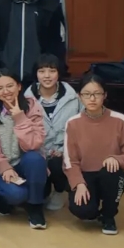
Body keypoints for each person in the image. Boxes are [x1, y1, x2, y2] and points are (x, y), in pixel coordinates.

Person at [64, 74, 124, 235]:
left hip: (111, 175)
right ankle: (94, 210)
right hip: (86, 176)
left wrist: (117, 159)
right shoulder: (73, 123)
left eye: (97, 94)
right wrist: (79, 184)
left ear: (105, 95)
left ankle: (108, 215)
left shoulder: (120, 120)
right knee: (84, 211)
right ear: (79, 96)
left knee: (111, 172)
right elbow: (70, 161)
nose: (92, 99)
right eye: (86, 94)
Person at [0, 69, 48, 229]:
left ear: (19, 86)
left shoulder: (32, 106)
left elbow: (34, 144)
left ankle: (35, 208)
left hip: (25, 163)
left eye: (10, 86)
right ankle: (2, 197)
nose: (5, 91)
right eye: (0, 88)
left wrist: (20, 118)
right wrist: (4, 167)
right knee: (16, 195)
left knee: (35, 158)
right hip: (0, 168)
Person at [23, 53, 81, 211]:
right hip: (38, 152)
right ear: (36, 74)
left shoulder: (73, 98)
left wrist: (63, 151)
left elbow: (81, 128)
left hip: (65, 152)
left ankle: (59, 190)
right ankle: (45, 188)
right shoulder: (26, 100)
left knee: (57, 164)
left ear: (59, 73)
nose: (47, 76)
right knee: (38, 196)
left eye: (52, 71)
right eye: (42, 71)